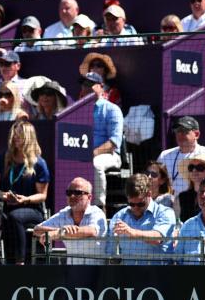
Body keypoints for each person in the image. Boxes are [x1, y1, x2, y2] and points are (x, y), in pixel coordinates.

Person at [0, 121, 50, 265]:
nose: (16, 137)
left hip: (32, 208)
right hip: (6, 205)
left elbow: (42, 195)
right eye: (14, 134)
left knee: (15, 216)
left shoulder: (39, 163)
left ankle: (20, 262)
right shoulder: (3, 159)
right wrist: (4, 195)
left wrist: (25, 199)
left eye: (20, 135)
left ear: (29, 137)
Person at [33, 178, 107, 265]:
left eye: (77, 193)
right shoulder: (65, 213)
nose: (72, 196)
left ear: (89, 197)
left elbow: (91, 231)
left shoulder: (96, 212)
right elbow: (36, 230)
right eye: (69, 193)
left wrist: (59, 233)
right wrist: (59, 231)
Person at [107, 174, 176, 265]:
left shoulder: (165, 212)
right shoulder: (119, 216)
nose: (135, 208)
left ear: (149, 194)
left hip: (158, 275)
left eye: (140, 204)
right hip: (130, 276)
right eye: (132, 204)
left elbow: (158, 238)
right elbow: (111, 253)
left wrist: (131, 232)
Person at [84, 72, 124, 209]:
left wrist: (93, 153)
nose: (86, 87)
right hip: (82, 153)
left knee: (95, 164)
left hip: (109, 155)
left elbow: (113, 142)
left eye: (90, 84)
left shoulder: (112, 109)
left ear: (101, 87)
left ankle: (99, 207)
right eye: (84, 84)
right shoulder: (77, 110)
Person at [157, 116, 205, 197]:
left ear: (196, 134)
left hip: (196, 201)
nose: (179, 135)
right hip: (167, 201)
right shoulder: (165, 155)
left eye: (184, 131)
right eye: (177, 131)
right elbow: (156, 181)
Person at [174, 153, 205, 223]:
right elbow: (177, 222)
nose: (194, 170)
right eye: (191, 167)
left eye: (200, 167)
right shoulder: (181, 197)